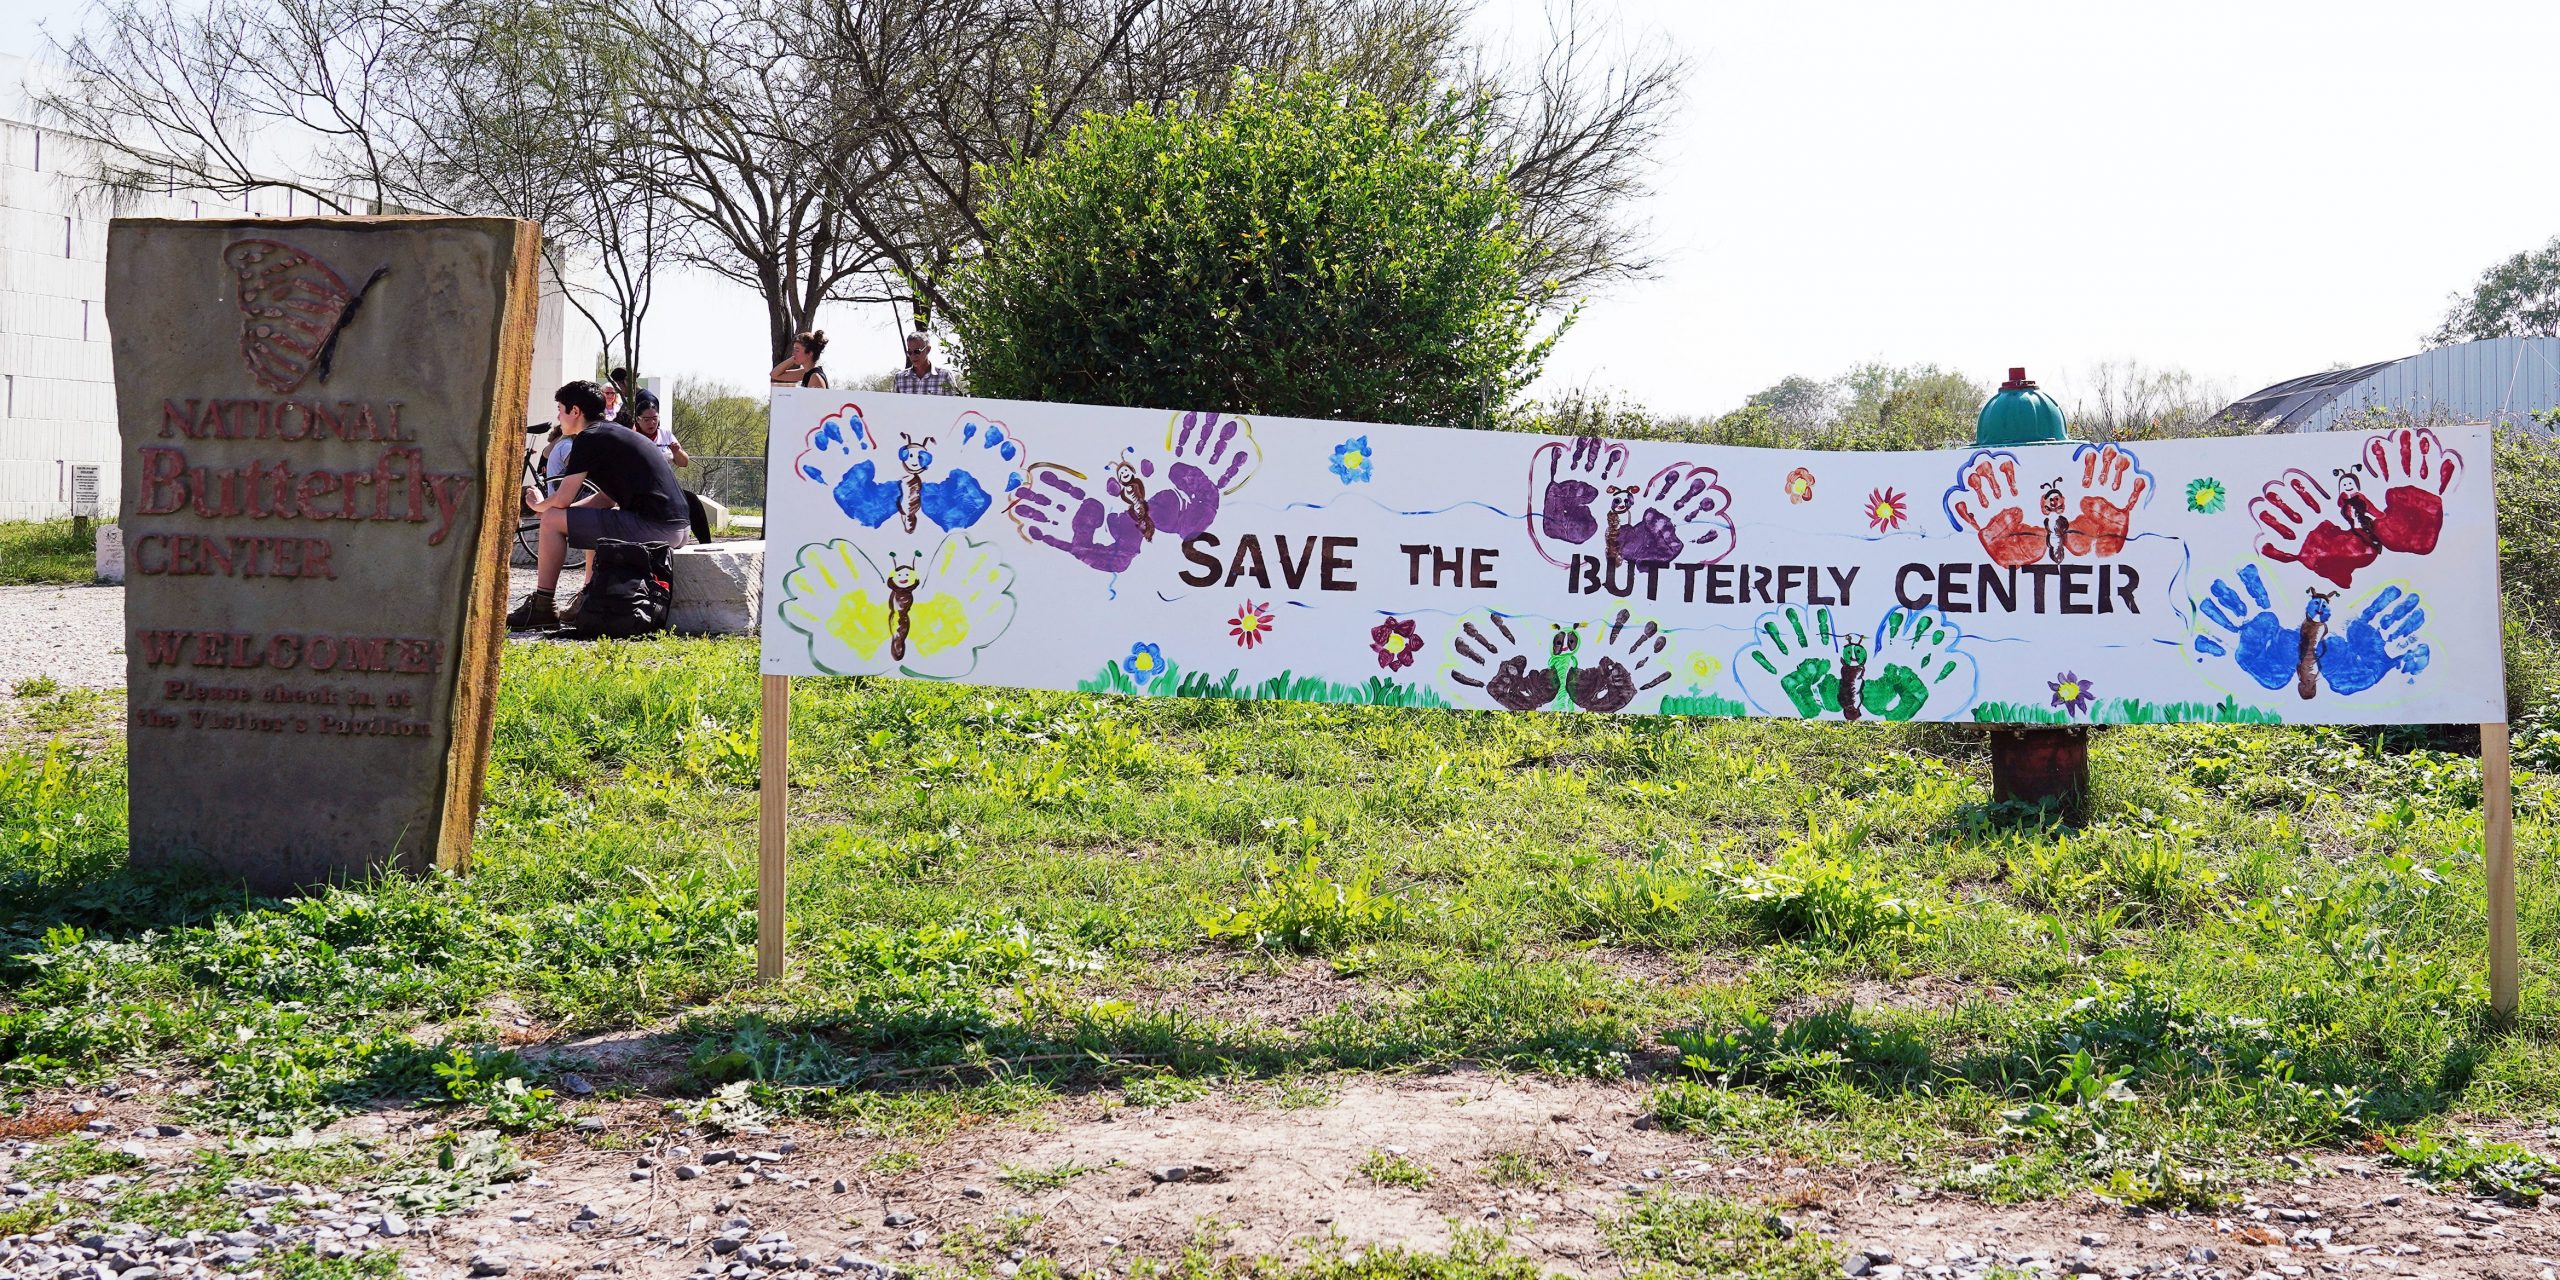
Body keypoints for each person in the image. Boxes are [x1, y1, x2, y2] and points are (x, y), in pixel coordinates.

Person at [507, 380, 692, 630]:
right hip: (678, 529)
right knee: (582, 516)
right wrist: (563, 512)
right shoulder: (613, 433)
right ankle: (586, 598)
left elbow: (562, 498)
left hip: (655, 527)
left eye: (560, 409)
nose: (557, 416)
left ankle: (543, 606)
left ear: (575, 411)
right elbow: (606, 498)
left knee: (551, 520)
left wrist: (541, 507)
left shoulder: (588, 438)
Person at [629, 390, 690, 467]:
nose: (651, 423)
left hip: (664, 478)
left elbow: (684, 463)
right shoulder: (632, 436)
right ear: (638, 419)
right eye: (646, 419)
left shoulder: (665, 434)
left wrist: (677, 452)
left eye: (655, 418)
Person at [894, 332, 958, 396]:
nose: (913, 356)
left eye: (917, 351)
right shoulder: (900, 378)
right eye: (910, 352)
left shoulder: (944, 376)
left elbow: (955, 403)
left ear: (928, 349)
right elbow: (894, 404)